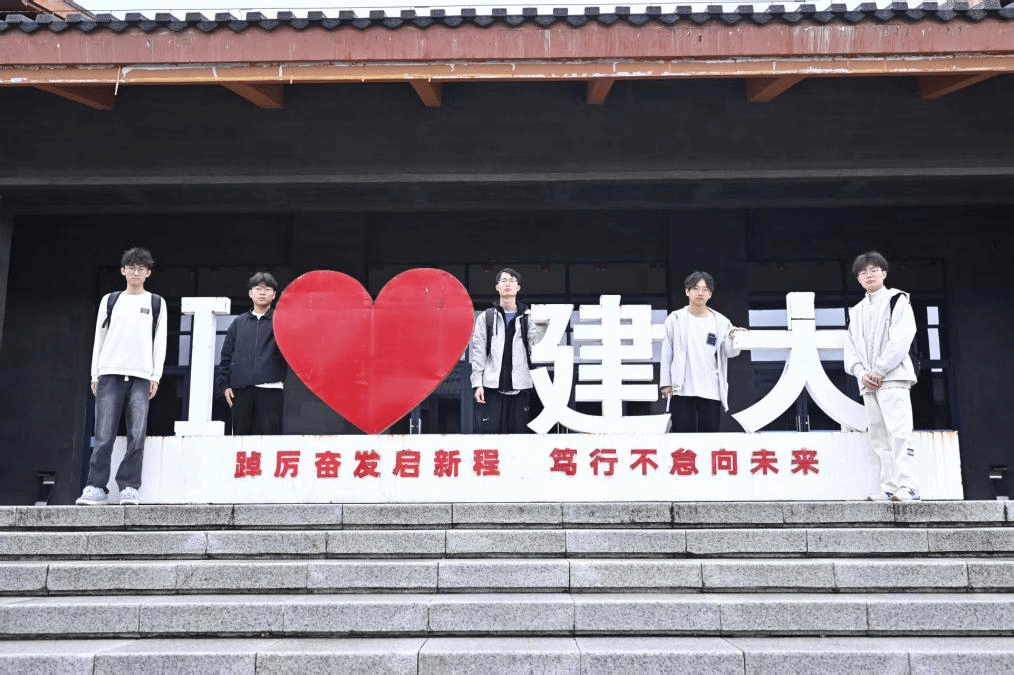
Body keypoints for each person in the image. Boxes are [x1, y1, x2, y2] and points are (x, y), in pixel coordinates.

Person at [77, 247, 167, 506]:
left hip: (141, 375)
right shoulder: (110, 300)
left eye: (141, 268)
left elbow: (160, 342)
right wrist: (95, 374)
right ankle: (95, 486)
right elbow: (99, 338)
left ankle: (129, 487)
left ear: (148, 273)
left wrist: (155, 376)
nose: (136, 272)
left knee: (136, 435)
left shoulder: (156, 303)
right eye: (131, 267)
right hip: (109, 373)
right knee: (103, 434)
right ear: (123, 270)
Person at [843, 251, 920, 502]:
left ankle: (908, 486)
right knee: (879, 437)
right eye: (863, 272)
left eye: (874, 270)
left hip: (893, 379)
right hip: (869, 383)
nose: (869, 275)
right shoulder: (856, 310)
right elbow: (850, 348)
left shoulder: (897, 300)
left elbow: (901, 339)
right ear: (858, 279)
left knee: (899, 433)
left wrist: (880, 370)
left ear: (884, 273)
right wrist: (861, 372)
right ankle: (889, 487)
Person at [659, 271, 745, 432]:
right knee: (682, 435)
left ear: (710, 294)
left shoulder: (721, 322)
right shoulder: (675, 319)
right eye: (695, 288)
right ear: (687, 291)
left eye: (705, 289)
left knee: (710, 436)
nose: (700, 293)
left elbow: (730, 352)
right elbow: (667, 352)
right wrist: (666, 383)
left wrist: (735, 337)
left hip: (711, 388)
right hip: (682, 388)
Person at [469, 267, 546, 433]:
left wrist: (544, 325)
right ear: (497, 287)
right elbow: (478, 353)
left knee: (518, 440)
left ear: (518, 287)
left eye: (512, 281)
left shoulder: (528, 317)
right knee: (490, 439)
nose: (508, 284)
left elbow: (537, 346)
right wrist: (477, 384)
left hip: (520, 389)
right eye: (503, 281)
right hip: (491, 390)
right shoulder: (486, 317)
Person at [216, 272, 288, 435]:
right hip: (241, 389)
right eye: (258, 289)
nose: (262, 293)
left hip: (271, 389)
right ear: (250, 293)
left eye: (267, 289)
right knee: (241, 439)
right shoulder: (238, 323)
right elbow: (226, 356)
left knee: (270, 439)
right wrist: (224, 385)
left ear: (274, 294)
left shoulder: (281, 321)